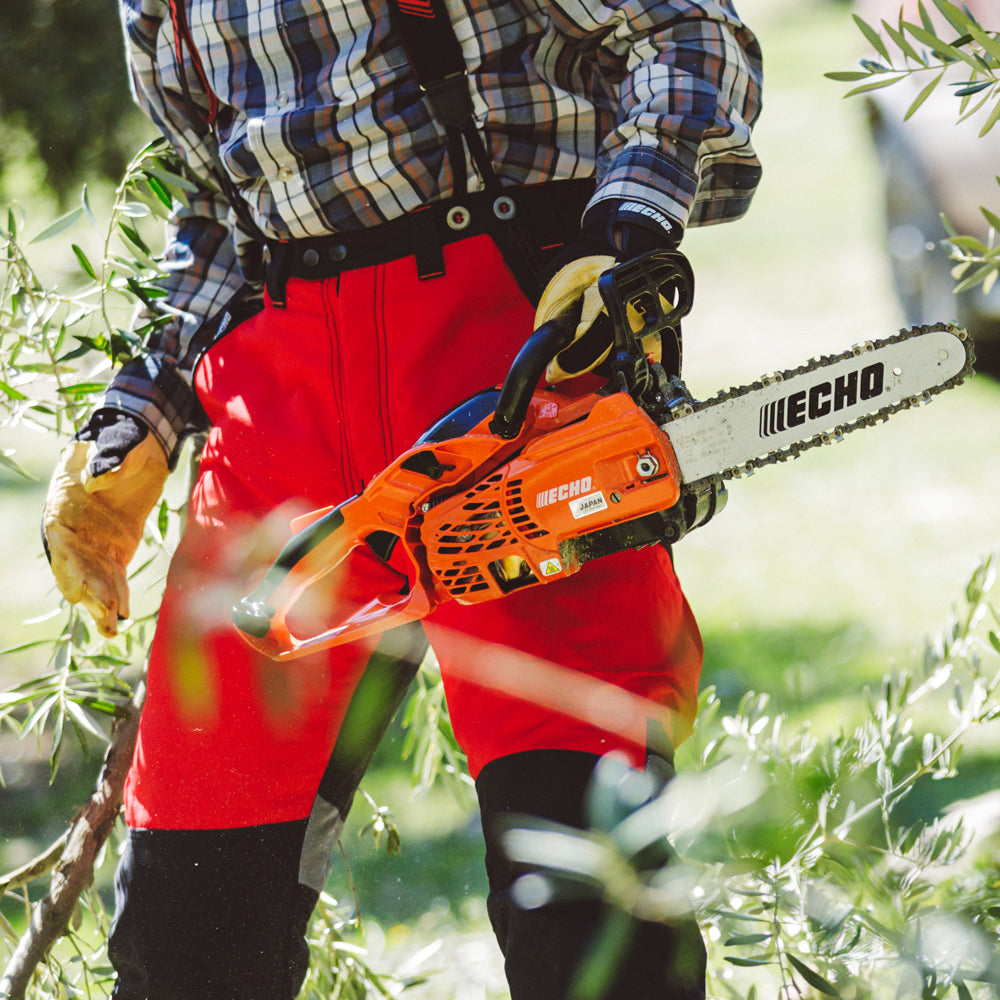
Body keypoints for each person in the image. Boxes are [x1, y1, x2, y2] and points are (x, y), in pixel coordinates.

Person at [42, 0, 762, 995]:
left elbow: (686, 36)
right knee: (188, 929)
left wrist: (624, 231)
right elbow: (211, 208)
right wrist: (141, 414)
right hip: (280, 409)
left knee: (586, 905)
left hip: (507, 375)